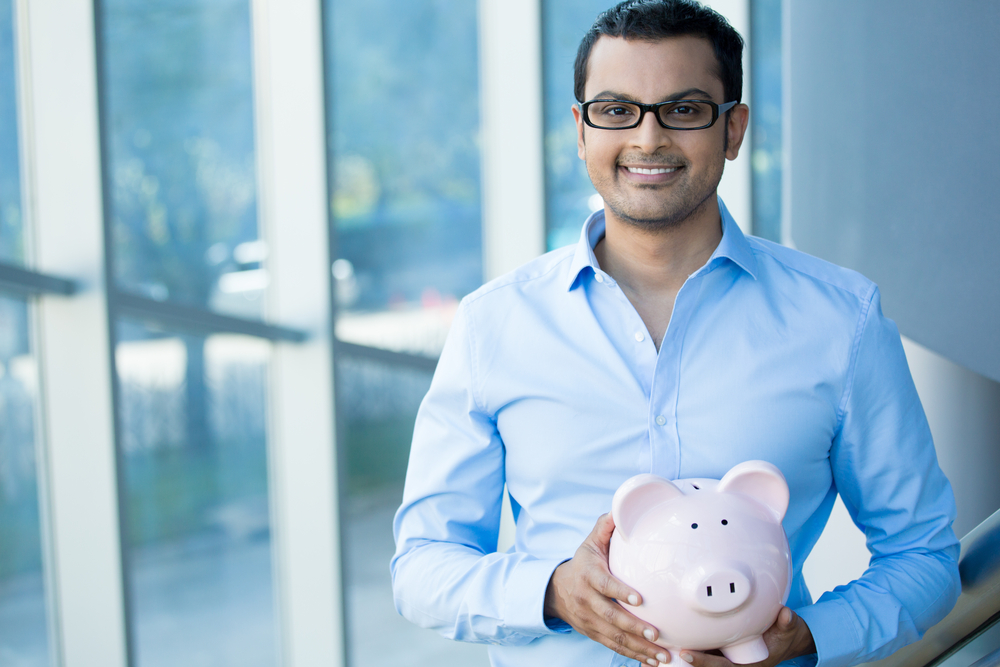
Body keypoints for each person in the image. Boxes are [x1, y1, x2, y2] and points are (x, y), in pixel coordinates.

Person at [391, 1, 961, 665]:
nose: (648, 138)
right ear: (581, 130)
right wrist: (551, 591)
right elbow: (423, 566)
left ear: (734, 128)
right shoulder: (494, 325)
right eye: (616, 110)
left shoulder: (841, 321)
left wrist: (806, 637)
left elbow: (923, 554)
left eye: (684, 110)